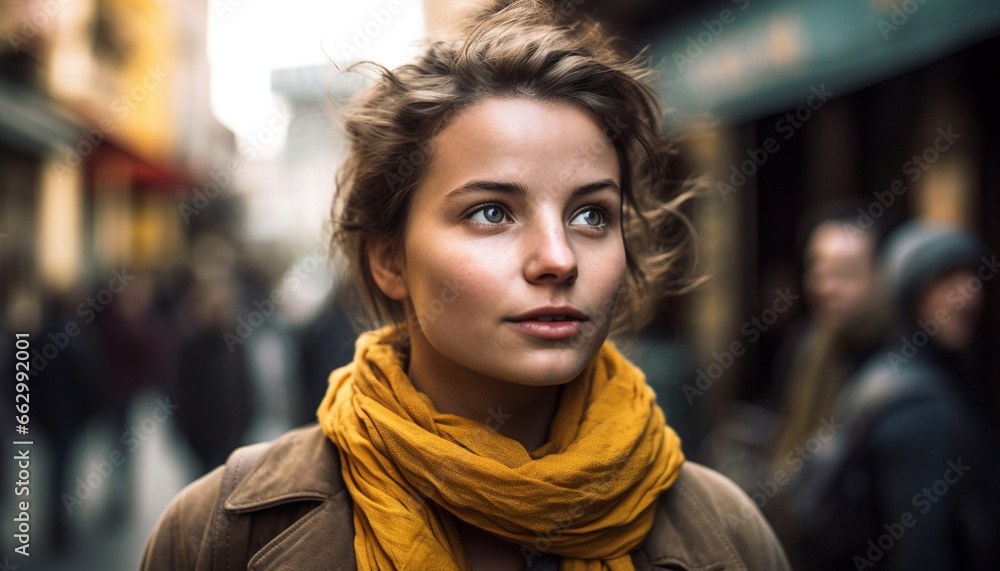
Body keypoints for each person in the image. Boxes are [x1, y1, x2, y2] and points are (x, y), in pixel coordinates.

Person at [140, 2, 789, 569]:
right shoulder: (222, 531)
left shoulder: (727, 531)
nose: (558, 258)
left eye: (592, 214)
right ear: (388, 259)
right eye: (492, 212)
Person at [788, 220, 1000, 570]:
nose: (968, 295)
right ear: (910, 292)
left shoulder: (898, 371)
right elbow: (920, 552)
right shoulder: (920, 406)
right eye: (946, 279)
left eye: (972, 279)